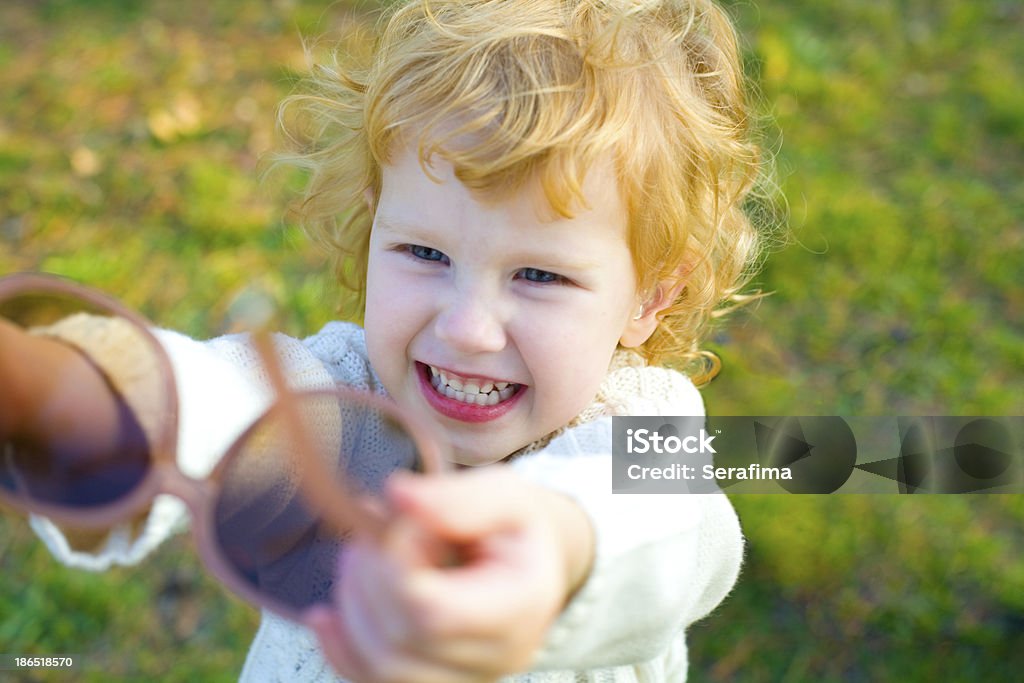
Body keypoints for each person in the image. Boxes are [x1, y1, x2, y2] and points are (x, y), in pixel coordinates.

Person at [0, 0, 769, 680]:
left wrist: (553, 550)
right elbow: (225, 405)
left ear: (652, 295)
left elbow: (674, 532)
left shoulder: (642, 426)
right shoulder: (348, 391)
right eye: (425, 254)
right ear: (375, 226)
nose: (467, 328)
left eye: (539, 275)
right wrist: (70, 391)